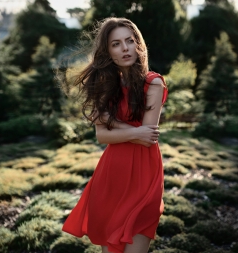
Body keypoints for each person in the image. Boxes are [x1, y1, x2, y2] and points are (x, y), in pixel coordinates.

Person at [61, 17, 168, 253]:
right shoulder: (107, 86)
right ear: (108, 52)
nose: (125, 48)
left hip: (144, 174)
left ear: (138, 45)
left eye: (130, 41)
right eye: (116, 44)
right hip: (112, 174)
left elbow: (148, 136)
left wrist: (113, 123)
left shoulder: (154, 83)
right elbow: (102, 136)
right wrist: (133, 130)